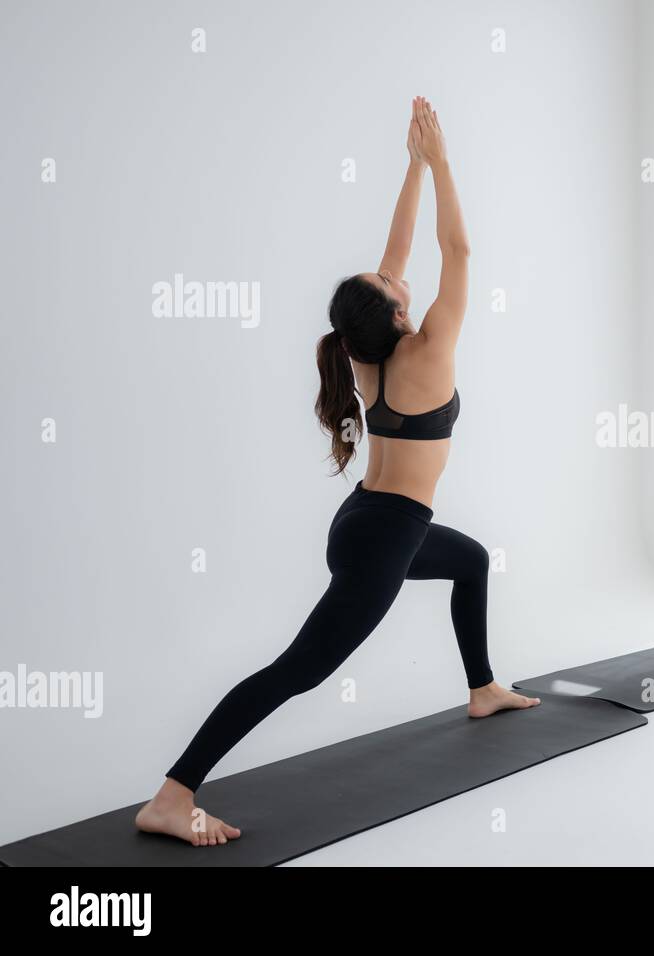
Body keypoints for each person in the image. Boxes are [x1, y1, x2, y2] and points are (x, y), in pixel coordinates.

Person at [135, 98, 539, 847]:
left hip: (368, 520)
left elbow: (402, 249)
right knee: (300, 670)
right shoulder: (424, 353)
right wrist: (444, 161)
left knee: (472, 561)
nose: (398, 277)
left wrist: (412, 167)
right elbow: (460, 254)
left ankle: (482, 688)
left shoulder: (365, 349)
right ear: (390, 314)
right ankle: (173, 793)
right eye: (390, 285)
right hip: (382, 542)